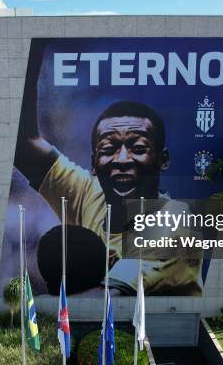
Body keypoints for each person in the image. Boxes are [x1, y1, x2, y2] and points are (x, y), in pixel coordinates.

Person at [14, 51, 202, 296]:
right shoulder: (90, 194)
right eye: (108, 148)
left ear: (162, 159)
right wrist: (28, 54)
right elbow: (24, 144)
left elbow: (102, 299)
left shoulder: (177, 221)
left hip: (158, 333)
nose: (122, 159)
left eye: (137, 148)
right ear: (94, 163)